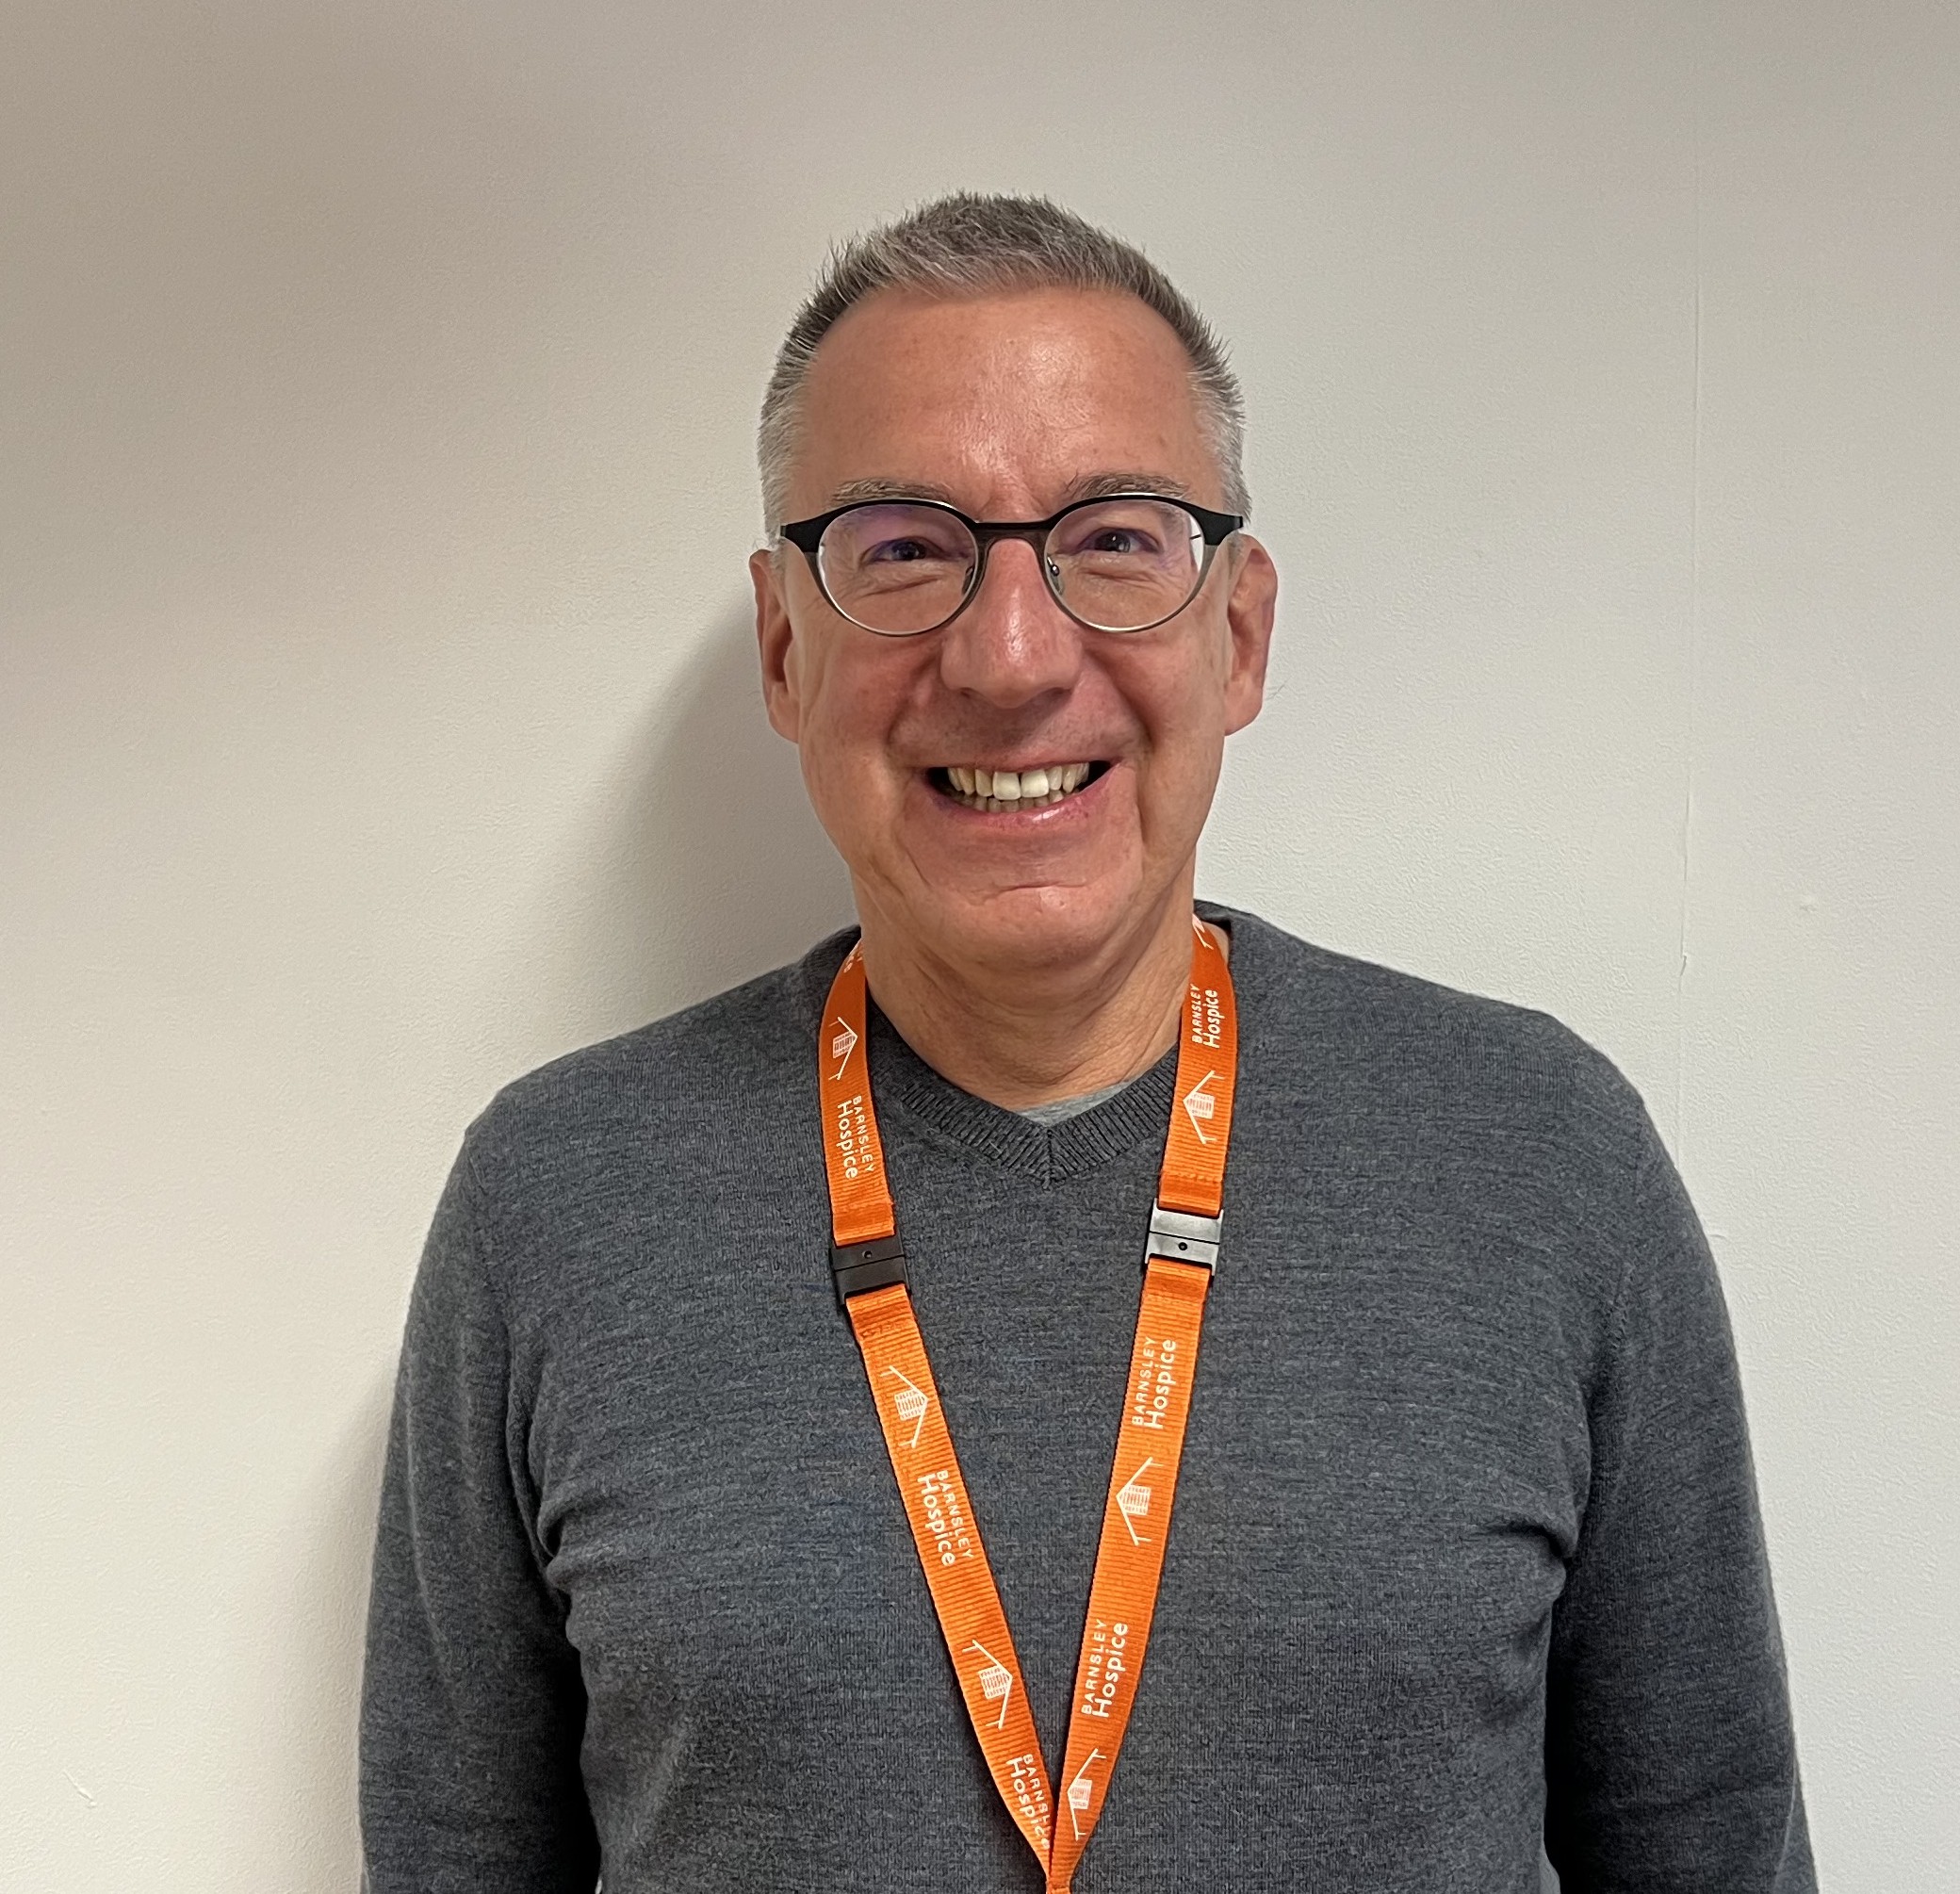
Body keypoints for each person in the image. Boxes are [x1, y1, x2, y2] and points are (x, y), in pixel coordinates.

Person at [360, 192, 1816, 1892]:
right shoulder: (555, 1202)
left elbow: (1714, 1849)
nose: (1011, 654)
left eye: (1114, 540)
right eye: (903, 549)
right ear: (783, 645)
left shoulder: (1539, 1159)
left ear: (1239, 633)